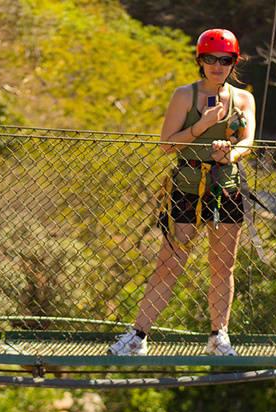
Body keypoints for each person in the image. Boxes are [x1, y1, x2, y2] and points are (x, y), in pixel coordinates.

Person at [109, 28, 256, 356]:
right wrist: (202, 126)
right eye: (210, 59)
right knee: (171, 262)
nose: (217, 66)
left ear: (234, 62)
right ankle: (138, 336)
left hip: (225, 188)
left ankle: (219, 336)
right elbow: (166, 145)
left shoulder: (243, 98)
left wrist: (229, 153)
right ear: (200, 61)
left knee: (222, 265)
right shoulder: (184, 96)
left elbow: (247, 140)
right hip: (187, 187)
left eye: (225, 60)